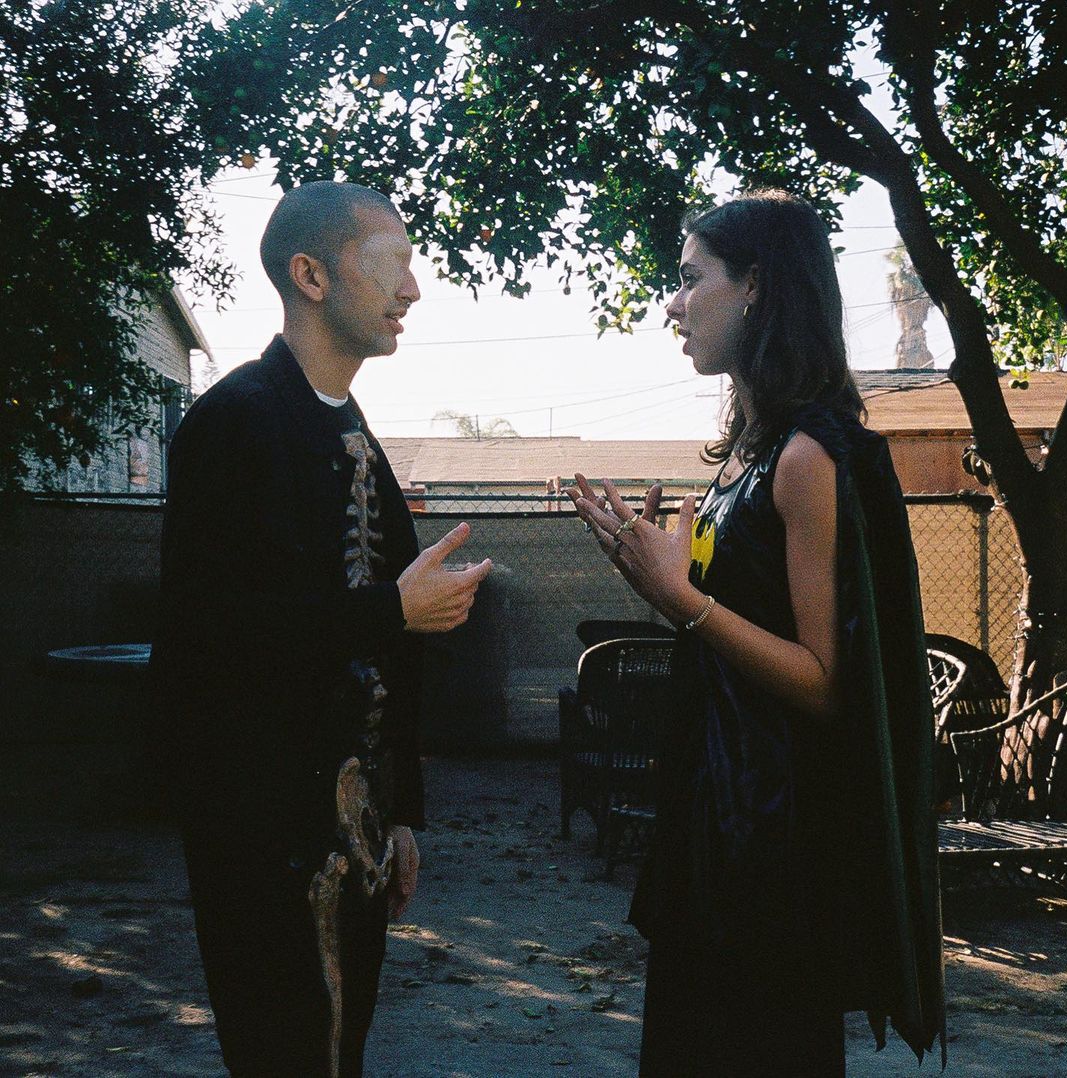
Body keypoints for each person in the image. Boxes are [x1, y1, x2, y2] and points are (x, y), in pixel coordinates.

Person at [569, 189, 944, 1076]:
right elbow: (731, 617)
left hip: (774, 857)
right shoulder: (749, 448)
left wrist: (683, 600)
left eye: (690, 278)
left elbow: (825, 680)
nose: (672, 304)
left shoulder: (811, 454)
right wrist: (657, 572)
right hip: (714, 824)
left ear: (756, 288)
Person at [152, 181, 491, 1077]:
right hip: (259, 832)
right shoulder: (234, 421)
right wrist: (391, 609)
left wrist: (403, 812)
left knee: (341, 1050)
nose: (413, 289)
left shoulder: (354, 428)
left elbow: (393, 645)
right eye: (391, 265)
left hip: (357, 822)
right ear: (311, 275)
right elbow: (203, 638)